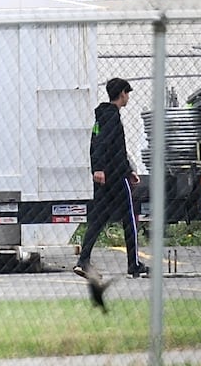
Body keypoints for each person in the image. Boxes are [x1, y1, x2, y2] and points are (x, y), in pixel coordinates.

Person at [75, 77, 147, 279]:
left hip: (107, 176)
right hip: (114, 176)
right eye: (128, 93)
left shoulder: (102, 116)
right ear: (122, 93)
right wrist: (102, 168)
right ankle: (133, 264)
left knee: (98, 218)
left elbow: (110, 146)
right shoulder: (112, 116)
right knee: (130, 218)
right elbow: (102, 145)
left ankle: (83, 260)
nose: (128, 97)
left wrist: (128, 169)